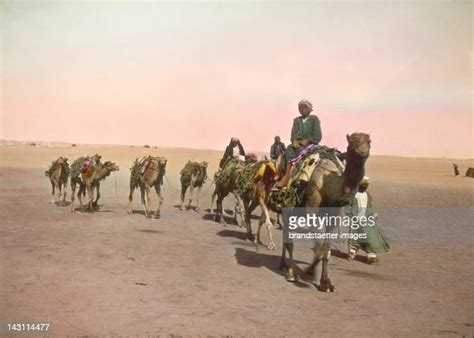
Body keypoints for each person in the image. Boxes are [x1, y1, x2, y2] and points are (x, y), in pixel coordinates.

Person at [276, 99, 322, 187]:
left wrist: (308, 141)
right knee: (289, 149)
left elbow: (317, 135)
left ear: (310, 109)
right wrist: (294, 141)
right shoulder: (297, 120)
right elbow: (293, 134)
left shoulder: (314, 119)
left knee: (308, 155)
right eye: (300, 107)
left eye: (305, 107)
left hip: (310, 144)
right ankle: (286, 175)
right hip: (298, 144)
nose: (302, 109)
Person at [345, 176, 390, 264]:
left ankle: (371, 254)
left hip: (366, 218)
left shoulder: (367, 195)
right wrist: (350, 215)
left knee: (370, 236)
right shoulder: (353, 195)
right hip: (355, 219)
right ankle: (352, 254)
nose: (364, 187)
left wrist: (372, 214)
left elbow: (369, 206)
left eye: (366, 185)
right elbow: (347, 207)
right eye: (363, 185)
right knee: (355, 237)